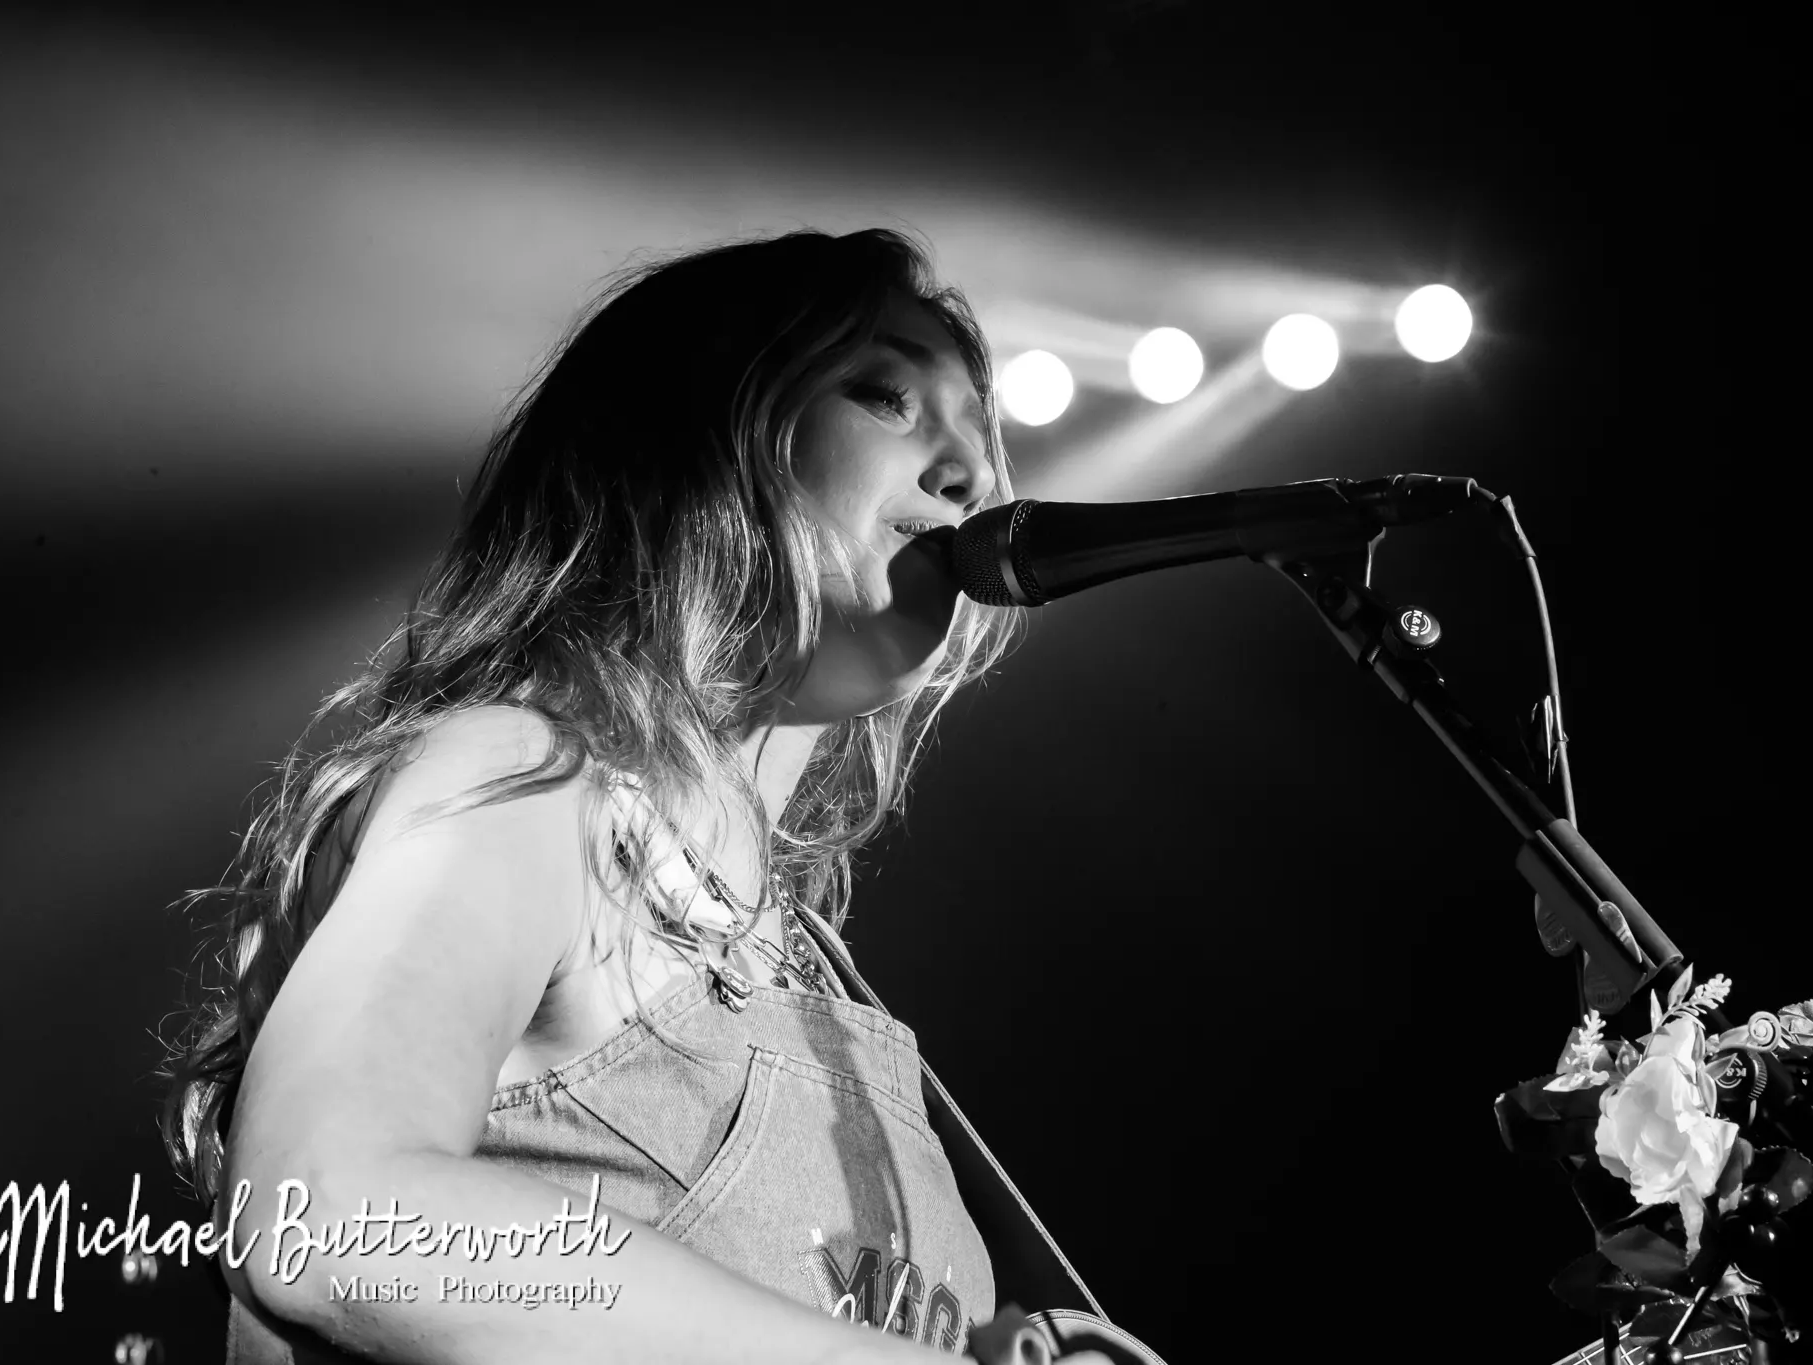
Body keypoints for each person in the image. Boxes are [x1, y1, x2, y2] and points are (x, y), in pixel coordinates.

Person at [161, 228, 1109, 1364]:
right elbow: (323, 1208)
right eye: (884, 395)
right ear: (699, 443)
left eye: (978, 434)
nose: (972, 475)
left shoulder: (809, 971)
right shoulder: (524, 783)